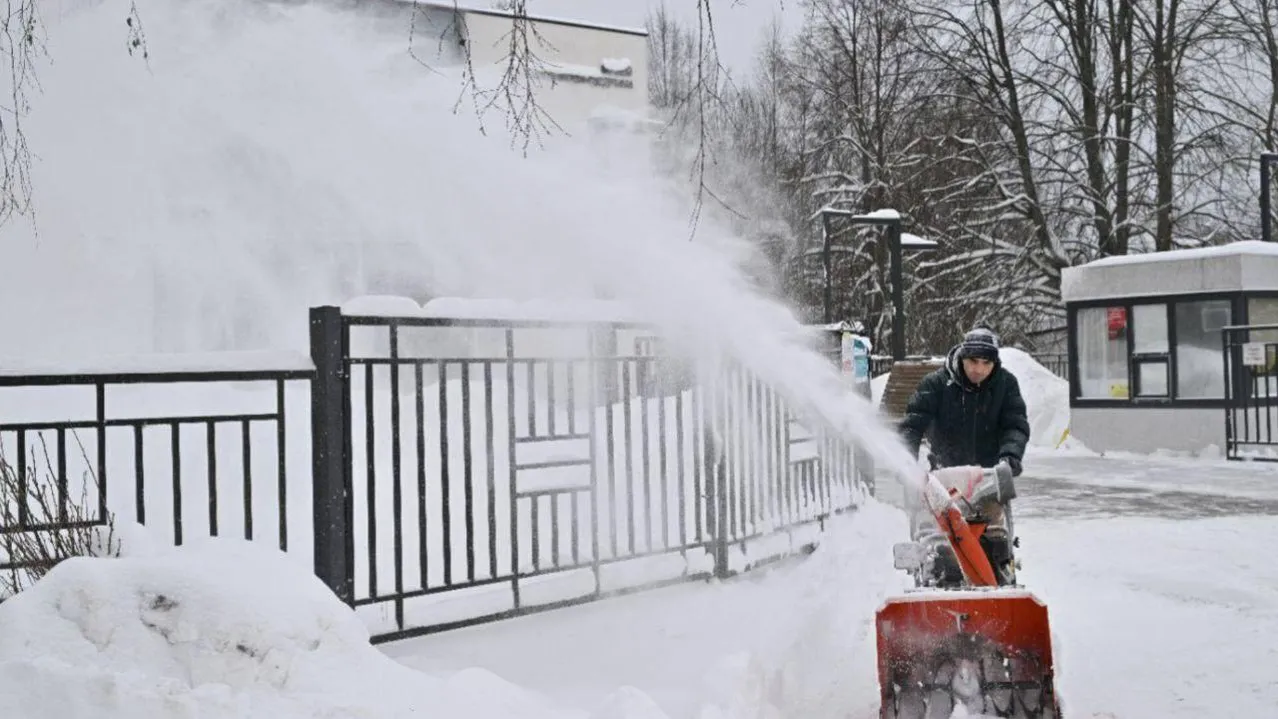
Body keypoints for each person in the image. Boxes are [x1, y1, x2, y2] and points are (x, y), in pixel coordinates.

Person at [898, 326, 1031, 584]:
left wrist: (1010, 457)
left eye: (986, 363)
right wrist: (906, 461)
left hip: (988, 478)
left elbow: (1015, 425)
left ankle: (999, 582)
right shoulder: (936, 384)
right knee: (938, 543)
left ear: (995, 363)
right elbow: (912, 425)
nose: (978, 369)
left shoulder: (1006, 385)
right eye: (972, 361)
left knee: (994, 540)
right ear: (962, 357)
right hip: (944, 481)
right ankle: (937, 582)